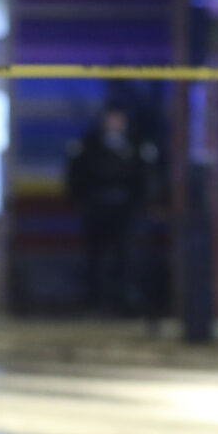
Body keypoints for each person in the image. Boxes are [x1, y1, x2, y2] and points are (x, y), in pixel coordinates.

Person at [64, 104, 150, 313]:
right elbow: (76, 176)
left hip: (125, 209)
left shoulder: (136, 145)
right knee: (95, 256)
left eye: (118, 118)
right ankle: (95, 301)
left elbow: (145, 177)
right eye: (110, 118)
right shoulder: (89, 145)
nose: (114, 123)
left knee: (125, 255)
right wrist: (80, 202)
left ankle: (123, 302)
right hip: (96, 208)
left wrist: (142, 203)